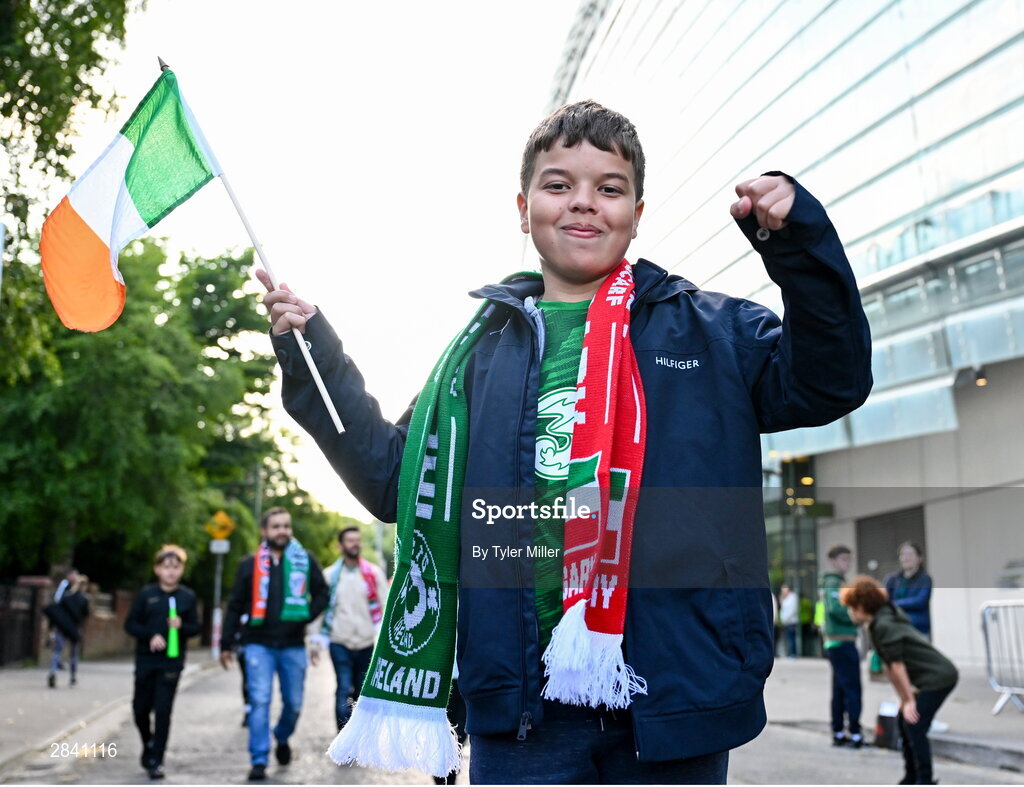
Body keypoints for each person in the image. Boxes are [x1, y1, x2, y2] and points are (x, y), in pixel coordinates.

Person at [258, 100, 872, 783]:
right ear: (523, 208)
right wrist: (314, 355)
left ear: (637, 214)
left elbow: (830, 383)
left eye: (609, 188)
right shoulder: (473, 359)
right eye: (559, 185)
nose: (584, 204)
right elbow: (389, 478)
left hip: (672, 701)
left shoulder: (710, 330)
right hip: (522, 711)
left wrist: (800, 248)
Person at [220, 507, 330, 782]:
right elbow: (234, 606)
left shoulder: (305, 560)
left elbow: (323, 593)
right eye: (276, 526)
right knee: (260, 701)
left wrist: (305, 615)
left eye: (286, 526)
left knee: (293, 704)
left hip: (293, 645)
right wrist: (225, 644)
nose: (282, 531)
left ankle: (281, 736)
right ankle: (259, 760)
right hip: (258, 644)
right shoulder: (249, 565)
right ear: (264, 531)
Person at [842, 576, 957, 785]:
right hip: (929, 677)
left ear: (861, 605)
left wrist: (910, 700)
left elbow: (897, 666)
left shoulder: (884, 624)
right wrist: (904, 699)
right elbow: (889, 667)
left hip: (938, 677)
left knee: (915, 725)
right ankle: (911, 776)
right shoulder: (878, 621)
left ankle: (925, 779)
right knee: (904, 723)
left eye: (851, 607)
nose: (850, 612)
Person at [123, 545, 201, 780]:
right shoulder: (147, 595)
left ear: (181, 570)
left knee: (164, 711)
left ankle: (157, 759)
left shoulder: (187, 597)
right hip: (146, 660)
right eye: (166, 567)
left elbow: (196, 628)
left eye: (175, 567)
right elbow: (130, 624)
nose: (171, 572)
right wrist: (150, 635)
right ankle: (148, 741)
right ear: (157, 569)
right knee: (140, 710)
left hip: (172, 663)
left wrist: (182, 627)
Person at [310, 526, 388, 731]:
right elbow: (319, 610)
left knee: (362, 691)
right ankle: (343, 733)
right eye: (350, 540)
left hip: (366, 642)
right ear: (340, 545)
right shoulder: (329, 576)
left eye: (358, 540)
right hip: (339, 641)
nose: (355, 544)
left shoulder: (373, 574)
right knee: (344, 687)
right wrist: (314, 641)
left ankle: (358, 734)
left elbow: (386, 606)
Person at [821, 544, 863, 748]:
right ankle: (855, 732)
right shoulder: (833, 582)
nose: (847, 563)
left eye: (849, 559)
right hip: (842, 641)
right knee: (852, 688)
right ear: (832, 561)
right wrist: (857, 617)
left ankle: (839, 731)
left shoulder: (836, 582)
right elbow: (835, 608)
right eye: (843, 559)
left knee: (839, 689)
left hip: (836, 642)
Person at [44, 570, 89, 688]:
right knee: (73, 654)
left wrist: (51, 628)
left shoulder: (65, 596)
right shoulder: (84, 600)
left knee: (57, 651)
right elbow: (85, 616)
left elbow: (57, 613)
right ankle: (73, 677)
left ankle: (53, 671)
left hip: (62, 627)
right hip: (74, 629)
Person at [884, 541, 932, 638]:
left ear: (920, 558)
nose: (906, 557)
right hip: (896, 630)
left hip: (918, 631)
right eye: (903, 554)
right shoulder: (892, 579)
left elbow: (920, 602)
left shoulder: (925, 579)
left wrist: (894, 604)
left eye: (910, 554)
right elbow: (884, 601)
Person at [779, 584, 800, 658]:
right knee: (788, 638)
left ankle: (793, 654)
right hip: (786, 622)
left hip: (791, 621)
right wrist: (781, 598)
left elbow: (792, 610)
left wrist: (785, 619)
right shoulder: (785, 598)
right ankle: (789, 653)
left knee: (791, 638)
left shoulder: (793, 597)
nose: (784, 592)